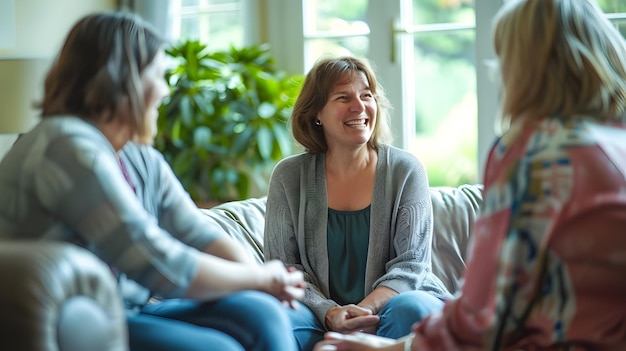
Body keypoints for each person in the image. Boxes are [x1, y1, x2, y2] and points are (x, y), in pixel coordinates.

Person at [314, 0, 626, 350]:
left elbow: (484, 317)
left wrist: (389, 348)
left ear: (524, 67)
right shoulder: (616, 142)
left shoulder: (537, 154)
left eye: (503, 56)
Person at [0, 11, 306, 351]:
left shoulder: (138, 156)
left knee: (261, 313)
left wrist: (262, 283)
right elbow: (160, 263)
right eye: (159, 76)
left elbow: (198, 234)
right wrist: (262, 277)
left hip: (131, 309)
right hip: (82, 321)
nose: (164, 91)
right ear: (125, 80)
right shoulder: (65, 145)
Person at [263, 55, 452, 351]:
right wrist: (330, 313)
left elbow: (411, 266)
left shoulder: (405, 170)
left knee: (411, 310)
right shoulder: (289, 176)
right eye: (343, 97)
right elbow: (284, 268)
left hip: (394, 307)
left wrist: (362, 311)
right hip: (318, 316)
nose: (359, 106)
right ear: (316, 114)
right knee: (272, 316)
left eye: (367, 96)